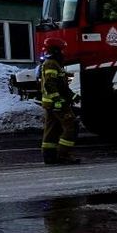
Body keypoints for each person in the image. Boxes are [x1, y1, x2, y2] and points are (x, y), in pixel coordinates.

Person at [39, 37, 80, 165]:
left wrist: (73, 96)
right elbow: (50, 85)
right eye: (61, 50)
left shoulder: (52, 63)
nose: (63, 53)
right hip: (57, 103)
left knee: (52, 130)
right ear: (56, 50)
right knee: (71, 126)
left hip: (50, 103)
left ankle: (49, 156)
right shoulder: (51, 64)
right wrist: (58, 100)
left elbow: (61, 86)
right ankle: (64, 155)